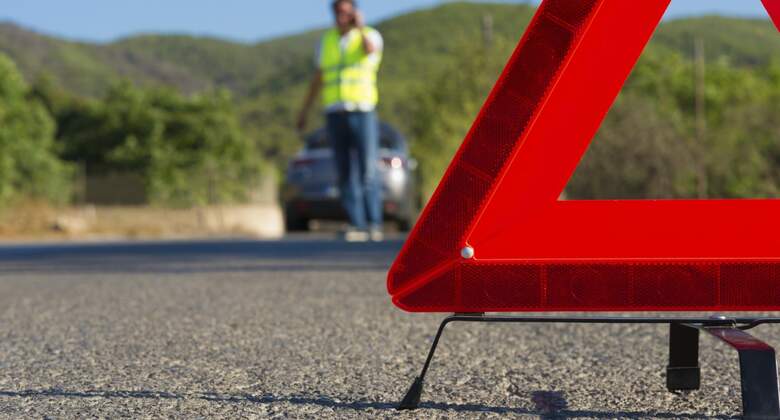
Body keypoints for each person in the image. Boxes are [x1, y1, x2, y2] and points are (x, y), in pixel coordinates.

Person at [297, 0, 384, 242]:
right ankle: (356, 223)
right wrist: (304, 111)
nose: (341, 16)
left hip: (362, 110)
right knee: (344, 171)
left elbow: (370, 50)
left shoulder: (370, 35)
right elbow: (318, 78)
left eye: (346, 12)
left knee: (367, 168)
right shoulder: (326, 42)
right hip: (335, 112)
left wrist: (359, 27)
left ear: (354, 12)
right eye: (337, 12)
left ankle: (373, 223)